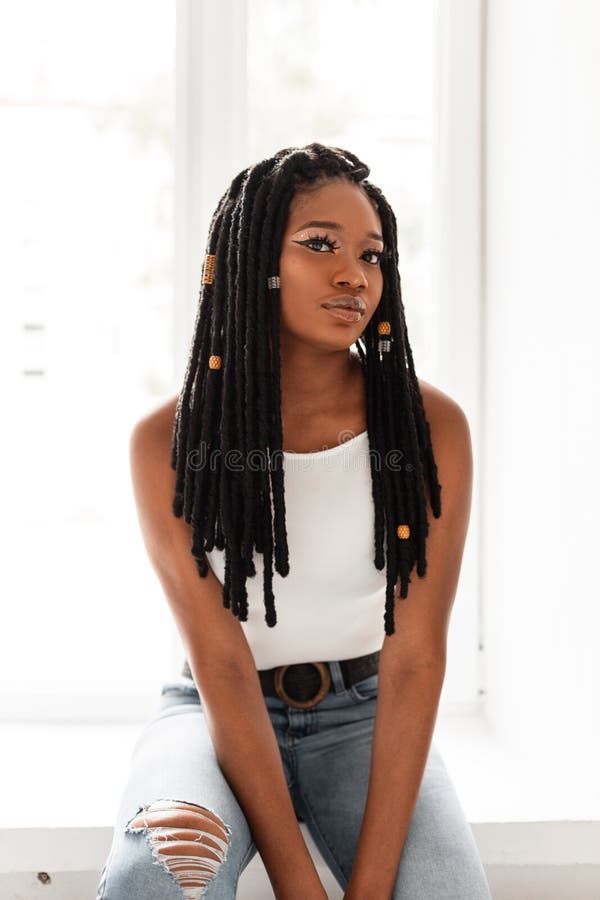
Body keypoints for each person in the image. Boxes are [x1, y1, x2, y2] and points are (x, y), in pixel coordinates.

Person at [96, 143, 492, 899]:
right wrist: (297, 883)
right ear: (251, 261)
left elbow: (416, 659)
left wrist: (369, 891)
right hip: (214, 715)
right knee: (159, 875)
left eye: (372, 255)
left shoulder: (429, 427)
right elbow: (219, 663)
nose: (355, 274)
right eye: (320, 245)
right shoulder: (167, 443)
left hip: (369, 715)